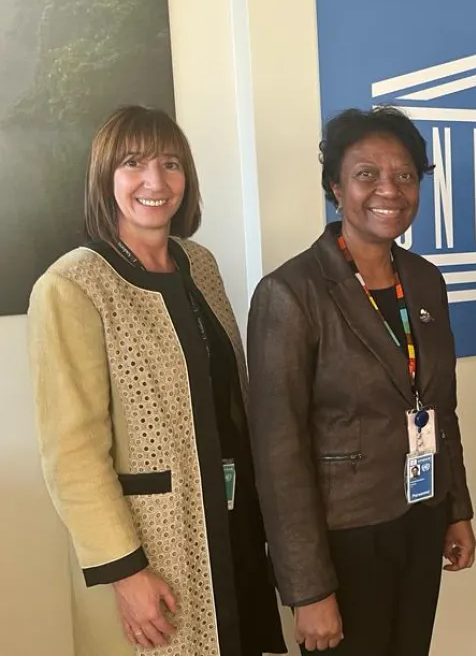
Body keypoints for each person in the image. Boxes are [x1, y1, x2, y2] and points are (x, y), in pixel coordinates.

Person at [26, 105, 286, 656]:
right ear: (105, 178)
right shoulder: (72, 285)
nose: (155, 181)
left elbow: (230, 401)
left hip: (232, 525)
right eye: (133, 164)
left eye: (171, 164)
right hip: (156, 551)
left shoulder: (201, 265)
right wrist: (126, 572)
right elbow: (71, 454)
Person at [247, 106, 476, 655]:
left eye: (403, 175)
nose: (388, 190)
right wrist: (308, 589)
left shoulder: (424, 280)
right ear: (335, 187)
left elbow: (440, 408)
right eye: (366, 174)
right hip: (344, 537)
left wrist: (456, 508)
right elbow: (278, 456)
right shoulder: (290, 293)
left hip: (419, 518)